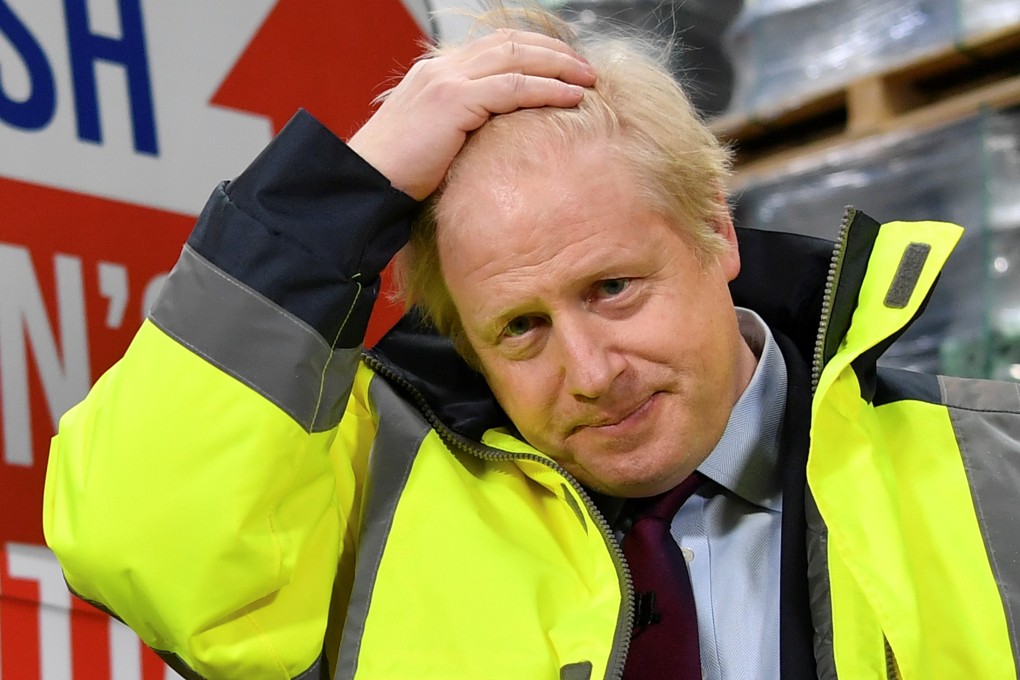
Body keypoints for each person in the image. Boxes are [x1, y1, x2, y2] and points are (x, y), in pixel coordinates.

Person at [43, 6, 1020, 680]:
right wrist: (329, 197)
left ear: (716, 232)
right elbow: (136, 534)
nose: (591, 372)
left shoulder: (993, 470)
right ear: (463, 337)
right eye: (520, 327)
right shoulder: (364, 523)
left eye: (613, 287)